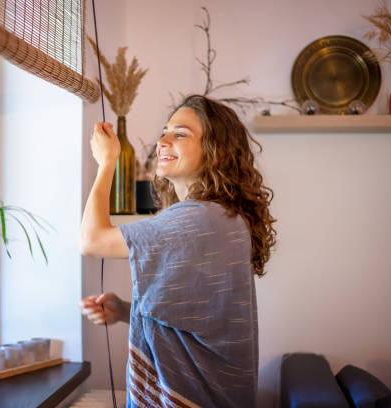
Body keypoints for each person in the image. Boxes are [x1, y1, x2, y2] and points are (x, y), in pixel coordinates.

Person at [79, 95, 277, 408]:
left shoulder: (199, 218)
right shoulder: (219, 215)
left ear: (216, 151)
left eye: (180, 134)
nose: (163, 140)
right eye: (165, 131)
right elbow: (200, 322)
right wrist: (124, 311)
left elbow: (92, 241)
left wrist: (107, 163)